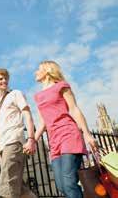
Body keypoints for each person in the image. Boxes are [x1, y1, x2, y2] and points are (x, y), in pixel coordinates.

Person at [33, 60, 98, 198]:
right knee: (61, 185)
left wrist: (87, 134)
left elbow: (74, 109)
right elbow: (42, 121)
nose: (36, 72)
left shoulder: (61, 86)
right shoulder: (38, 96)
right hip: (54, 141)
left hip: (68, 134)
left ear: (47, 71)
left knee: (69, 183)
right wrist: (32, 140)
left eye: (39, 69)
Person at [0, 68, 37, 198]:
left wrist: (31, 139)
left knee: (7, 183)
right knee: (19, 188)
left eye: (6, 78)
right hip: (2, 146)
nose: (4, 81)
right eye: (0, 79)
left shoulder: (16, 94)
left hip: (14, 141)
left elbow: (27, 114)